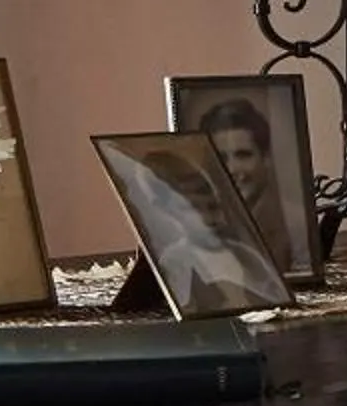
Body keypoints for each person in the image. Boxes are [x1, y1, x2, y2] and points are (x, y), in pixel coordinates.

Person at [117, 143, 290, 312]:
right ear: (168, 211)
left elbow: (274, 298)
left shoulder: (246, 255)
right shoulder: (176, 260)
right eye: (192, 209)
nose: (209, 219)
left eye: (213, 207)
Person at [199, 94, 301, 272]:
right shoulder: (194, 225)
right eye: (221, 158)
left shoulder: (295, 225)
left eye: (243, 155)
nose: (231, 169)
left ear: (266, 159)